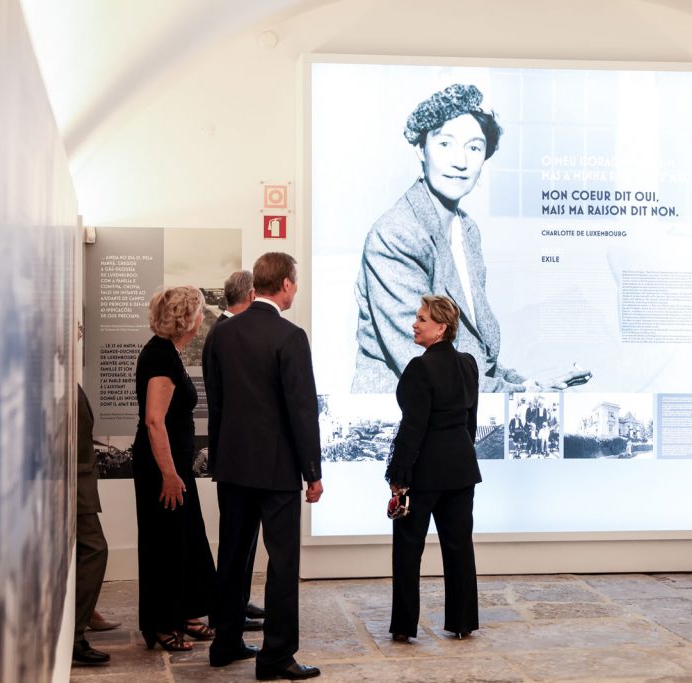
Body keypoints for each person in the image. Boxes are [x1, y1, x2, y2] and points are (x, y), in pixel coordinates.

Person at [352, 84, 534, 394]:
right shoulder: (396, 234)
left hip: (451, 405)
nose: (460, 161)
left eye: (474, 148)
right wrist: (517, 395)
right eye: (446, 144)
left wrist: (527, 385)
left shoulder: (467, 231)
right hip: (402, 408)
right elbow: (426, 359)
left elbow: (471, 349)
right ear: (420, 150)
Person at [206, 252, 323, 680]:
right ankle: (275, 657)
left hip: (233, 465)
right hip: (277, 470)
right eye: (296, 281)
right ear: (287, 284)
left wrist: (220, 458)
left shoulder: (222, 333)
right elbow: (302, 411)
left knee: (232, 555)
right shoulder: (290, 336)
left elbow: (216, 404)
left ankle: (225, 643)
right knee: (282, 563)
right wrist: (313, 472)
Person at [385, 295, 481, 643]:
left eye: (422, 319)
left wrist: (398, 477)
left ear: (441, 328)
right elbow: (470, 423)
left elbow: (412, 428)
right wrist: (460, 454)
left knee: (408, 551)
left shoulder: (419, 368)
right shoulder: (469, 364)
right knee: (459, 548)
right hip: (461, 470)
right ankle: (462, 622)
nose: (415, 324)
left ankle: (404, 626)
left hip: (424, 473)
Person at [132, 286, 216, 652]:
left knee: (186, 537)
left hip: (174, 464)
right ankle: (161, 623)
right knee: (164, 542)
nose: (202, 318)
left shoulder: (168, 353)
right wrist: (168, 474)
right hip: (162, 468)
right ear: (186, 320)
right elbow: (154, 421)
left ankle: (185, 613)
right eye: (198, 312)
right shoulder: (160, 358)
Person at [201, 269, 267, 630]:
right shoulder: (226, 333)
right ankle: (228, 612)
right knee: (235, 539)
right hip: (236, 453)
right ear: (252, 295)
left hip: (236, 451)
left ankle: (238, 602)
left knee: (243, 537)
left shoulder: (224, 331)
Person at [72, 384, 111, 667]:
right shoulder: (51, 377)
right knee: (95, 549)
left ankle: (79, 623)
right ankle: (74, 633)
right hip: (71, 479)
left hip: (78, 476)